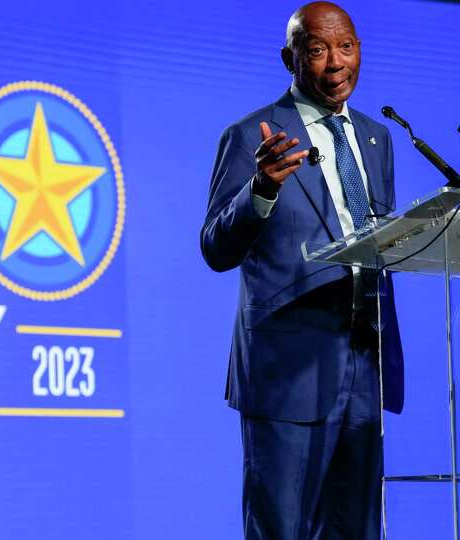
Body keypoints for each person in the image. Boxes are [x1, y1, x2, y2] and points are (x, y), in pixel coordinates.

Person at [200, 2, 404, 538]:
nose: (337, 63)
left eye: (347, 46)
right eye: (317, 50)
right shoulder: (252, 137)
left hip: (365, 363)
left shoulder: (377, 139)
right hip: (287, 371)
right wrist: (261, 188)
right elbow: (216, 247)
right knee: (282, 529)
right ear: (289, 57)